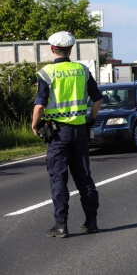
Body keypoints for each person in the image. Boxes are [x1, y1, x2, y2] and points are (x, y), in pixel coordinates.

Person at [31, 31, 103, 238]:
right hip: (79, 132)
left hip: (57, 135)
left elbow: (39, 106)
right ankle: (91, 222)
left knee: (58, 179)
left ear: (53, 49)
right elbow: (97, 100)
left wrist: (35, 125)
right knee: (84, 178)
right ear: (71, 49)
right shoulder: (82, 70)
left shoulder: (46, 73)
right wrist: (89, 118)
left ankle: (61, 225)